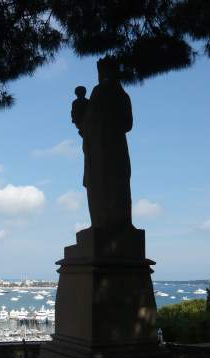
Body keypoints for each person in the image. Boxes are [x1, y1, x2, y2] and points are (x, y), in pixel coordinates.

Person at [78, 57, 133, 229]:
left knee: (101, 184)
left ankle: (101, 224)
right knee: (119, 184)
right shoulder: (123, 95)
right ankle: (120, 223)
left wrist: (83, 123)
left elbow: (90, 121)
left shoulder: (100, 92)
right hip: (114, 147)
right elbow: (128, 124)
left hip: (101, 148)